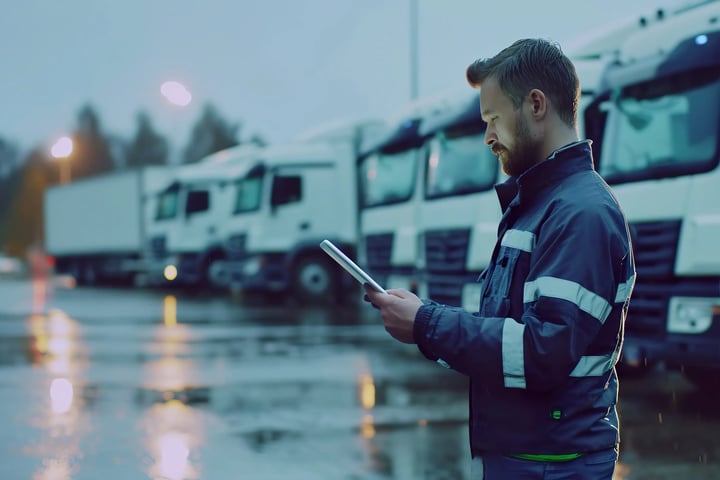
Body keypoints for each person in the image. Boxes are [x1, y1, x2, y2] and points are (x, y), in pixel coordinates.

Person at [363, 38, 636, 480]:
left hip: (553, 465)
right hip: (535, 456)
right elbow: (510, 335)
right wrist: (425, 322)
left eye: (493, 119)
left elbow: (541, 351)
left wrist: (426, 324)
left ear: (535, 104)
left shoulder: (581, 213)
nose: (488, 137)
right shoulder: (542, 204)